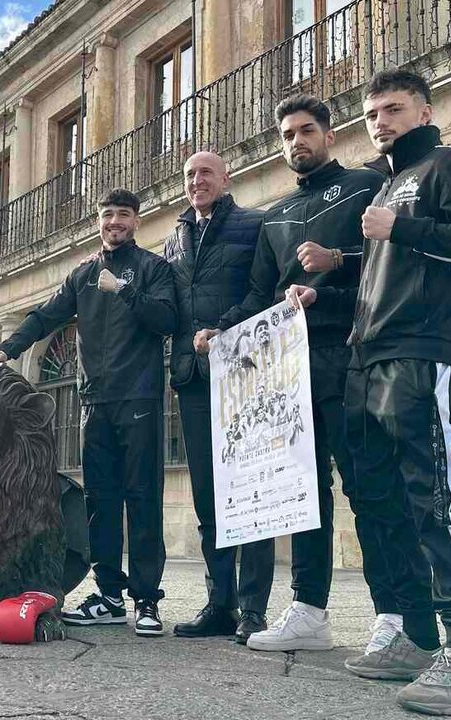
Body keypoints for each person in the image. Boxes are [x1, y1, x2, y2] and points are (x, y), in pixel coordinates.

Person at [341, 70, 451, 715]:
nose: (380, 121)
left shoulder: (449, 162)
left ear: (425, 110)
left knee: (431, 496)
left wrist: (403, 229)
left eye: (393, 109)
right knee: (384, 501)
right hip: (370, 356)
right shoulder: (384, 185)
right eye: (372, 114)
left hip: (421, 352)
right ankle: (415, 637)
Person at [193, 95, 387, 652]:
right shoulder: (274, 214)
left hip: (351, 356)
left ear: (328, 134)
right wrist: (221, 329)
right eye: (287, 134)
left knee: (366, 487)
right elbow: (259, 293)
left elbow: (385, 265)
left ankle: (393, 616)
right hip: (287, 371)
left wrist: (333, 272)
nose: (296, 141)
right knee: (303, 491)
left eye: (306, 131)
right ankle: (307, 611)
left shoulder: (361, 189)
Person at [0, 188, 177, 637]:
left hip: (139, 399)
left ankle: (147, 600)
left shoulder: (153, 268)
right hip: (93, 402)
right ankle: (108, 596)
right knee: (99, 502)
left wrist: (125, 291)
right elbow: (45, 317)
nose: (114, 223)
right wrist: (7, 349)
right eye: (107, 215)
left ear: (136, 222)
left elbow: (167, 320)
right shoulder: (82, 275)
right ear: (98, 222)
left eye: (123, 215)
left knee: (143, 499)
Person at [162, 151, 274, 643]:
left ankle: (253, 609)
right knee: (209, 498)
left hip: (243, 371)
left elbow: (263, 290)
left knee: (249, 491)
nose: (197, 180)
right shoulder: (174, 238)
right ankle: (219, 603)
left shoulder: (255, 225)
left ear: (227, 179)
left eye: (206, 172)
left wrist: (223, 328)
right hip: (192, 378)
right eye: (189, 174)